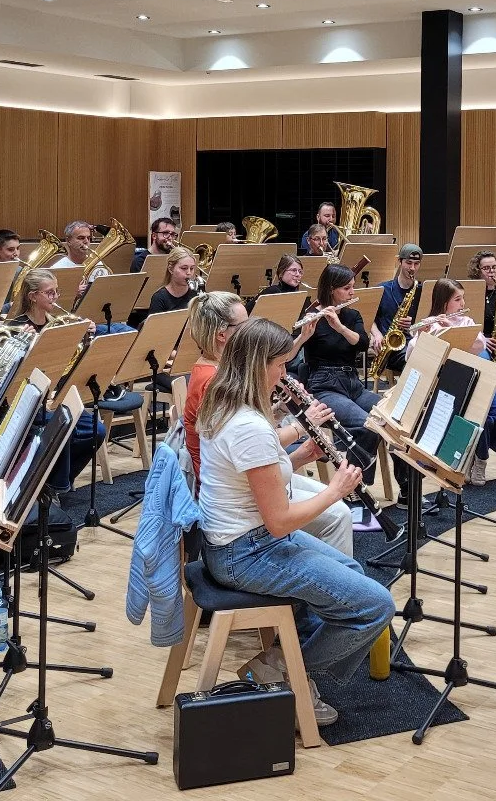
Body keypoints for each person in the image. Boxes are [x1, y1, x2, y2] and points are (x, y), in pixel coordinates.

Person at [195, 318, 394, 725]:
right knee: (376, 605)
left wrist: (300, 456)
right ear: (257, 365)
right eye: (280, 365)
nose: (285, 373)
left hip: (239, 542)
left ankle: (283, 662)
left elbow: (253, 478)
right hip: (245, 552)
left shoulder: (226, 402)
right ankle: (288, 672)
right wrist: (335, 491)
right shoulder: (248, 426)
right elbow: (280, 522)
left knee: (352, 573)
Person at [181, 292, 346, 551]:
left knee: (335, 509)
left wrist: (280, 411)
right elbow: (251, 440)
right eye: (244, 324)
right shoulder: (214, 381)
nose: (251, 329)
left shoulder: (224, 371)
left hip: (246, 474)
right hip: (232, 496)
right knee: (337, 514)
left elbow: (255, 443)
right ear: (222, 334)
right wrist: (302, 426)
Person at [6, 269, 107, 503]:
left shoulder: (57, 325)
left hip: (56, 396)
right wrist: (21, 345)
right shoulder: (17, 327)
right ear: (33, 296)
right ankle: (51, 487)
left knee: (97, 430)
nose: (55, 297)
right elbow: (11, 373)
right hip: (28, 400)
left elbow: (71, 363)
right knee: (64, 426)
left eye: (56, 292)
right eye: (49, 293)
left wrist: (85, 338)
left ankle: (61, 482)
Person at [405, 277, 496, 486]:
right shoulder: (429, 324)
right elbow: (411, 357)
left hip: (475, 382)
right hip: (447, 386)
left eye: (462, 298)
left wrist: (454, 330)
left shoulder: (466, 322)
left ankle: (477, 450)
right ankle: (480, 458)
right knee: (483, 419)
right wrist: (422, 335)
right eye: (457, 300)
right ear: (444, 302)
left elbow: (480, 346)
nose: (463, 304)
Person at [300, 264, 383, 483]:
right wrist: (303, 334)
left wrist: (340, 327)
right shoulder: (312, 316)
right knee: (367, 425)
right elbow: (290, 353)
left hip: (353, 384)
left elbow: (362, 344)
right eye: (347, 288)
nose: (352, 293)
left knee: (391, 417)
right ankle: (354, 487)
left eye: (353, 287)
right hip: (324, 386)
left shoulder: (352, 315)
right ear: (331, 289)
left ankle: (403, 488)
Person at [370, 243, 424, 372]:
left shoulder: (422, 291)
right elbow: (369, 318)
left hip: (414, 343)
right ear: (400, 261)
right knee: (415, 361)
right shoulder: (383, 289)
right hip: (389, 347)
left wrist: (413, 325)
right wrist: (376, 334)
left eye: (416, 264)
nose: (412, 268)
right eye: (408, 263)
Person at [148, 247, 198, 315]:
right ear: (170, 269)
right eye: (184, 268)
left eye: (192, 268)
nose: (189, 273)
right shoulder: (159, 298)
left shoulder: (196, 293)